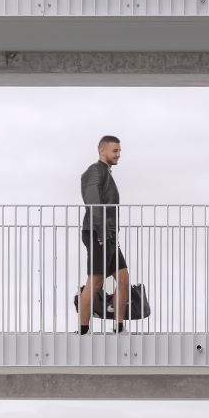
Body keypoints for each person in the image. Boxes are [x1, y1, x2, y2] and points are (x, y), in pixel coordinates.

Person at [78, 134, 130, 333]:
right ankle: (83, 330)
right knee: (96, 281)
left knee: (123, 279)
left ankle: (118, 326)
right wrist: (100, 233)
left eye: (119, 151)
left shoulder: (106, 172)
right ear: (102, 151)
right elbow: (93, 202)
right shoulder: (94, 171)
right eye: (115, 151)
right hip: (97, 232)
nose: (118, 155)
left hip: (108, 235)